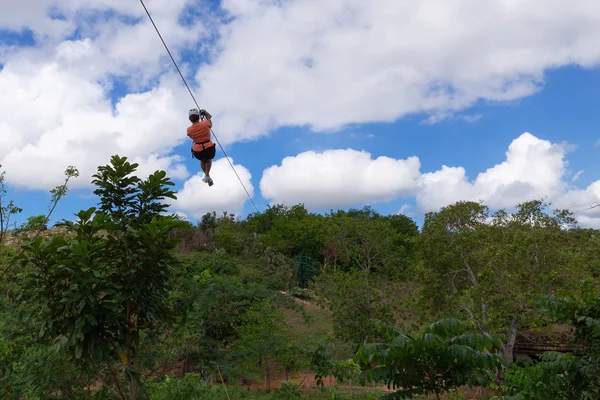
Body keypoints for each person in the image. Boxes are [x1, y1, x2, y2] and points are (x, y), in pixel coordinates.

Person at [187, 108, 215, 186]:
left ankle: (207, 176)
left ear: (190, 119)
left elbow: (192, 136)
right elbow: (210, 122)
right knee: (208, 159)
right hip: (208, 147)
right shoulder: (205, 123)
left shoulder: (189, 130)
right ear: (198, 117)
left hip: (198, 150)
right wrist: (205, 114)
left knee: (203, 160)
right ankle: (207, 175)